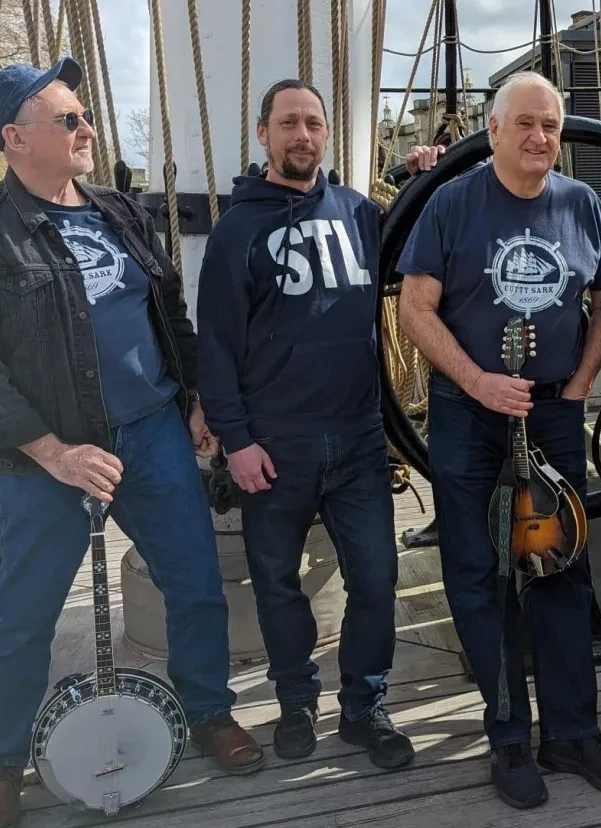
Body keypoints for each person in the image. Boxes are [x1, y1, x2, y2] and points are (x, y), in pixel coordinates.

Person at [0, 57, 264, 828]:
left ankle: (210, 712)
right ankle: (3, 765)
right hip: (50, 455)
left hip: (150, 435)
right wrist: (54, 452)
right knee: (25, 615)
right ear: (16, 138)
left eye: (84, 115)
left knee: (194, 586)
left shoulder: (119, 211)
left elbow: (167, 310)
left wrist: (192, 398)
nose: (87, 128)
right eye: (67, 120)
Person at [395, 71, 601, 809]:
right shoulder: (452, 203)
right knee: (481, 574)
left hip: (553, 413)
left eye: (551, 126)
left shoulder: (582, 204)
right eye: (526, 124)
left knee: (563, 566)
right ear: (495, 130)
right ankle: (508, 738)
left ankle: (571, 731)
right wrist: (476, 381)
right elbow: (415, 307)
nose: (540, 138)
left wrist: (574, 386)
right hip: (468, 413)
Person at [196, 79, 444, 769]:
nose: (301, 135)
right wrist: (237, 441)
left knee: (375, 577)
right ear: (263, 135)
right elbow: (215, 344)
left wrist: (420, 179)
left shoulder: (363, 214)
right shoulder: (236, 232)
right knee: (277, 583)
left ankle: (364, 706)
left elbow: (421, 246)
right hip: (274, 445)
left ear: (327, 133)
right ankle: (298, 703)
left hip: (362, 439)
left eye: (313, 123)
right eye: (287, 124)